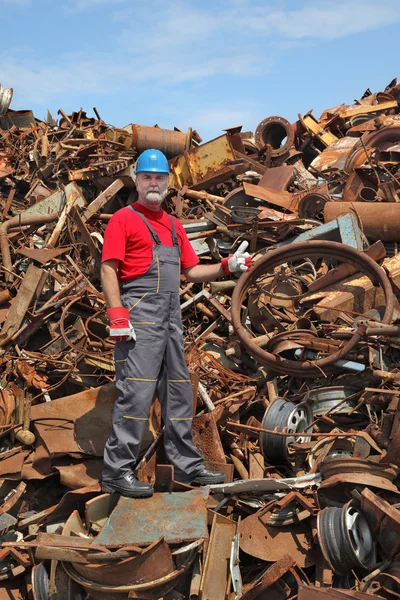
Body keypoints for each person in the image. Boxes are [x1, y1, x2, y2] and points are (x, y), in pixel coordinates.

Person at [100, 149, 252, 498]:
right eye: (147, 177)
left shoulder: (172, 225)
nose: (154, 183)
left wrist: (228, 266)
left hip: (170, 319)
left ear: (168, 183)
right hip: (139, 317)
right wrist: (116, 313)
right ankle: (117, 471)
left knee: (179, 393)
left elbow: (192, 271)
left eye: (160, 178)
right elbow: (108, 267)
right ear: (137, 181)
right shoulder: (123, 219)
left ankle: (187, 465)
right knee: (136, 394)